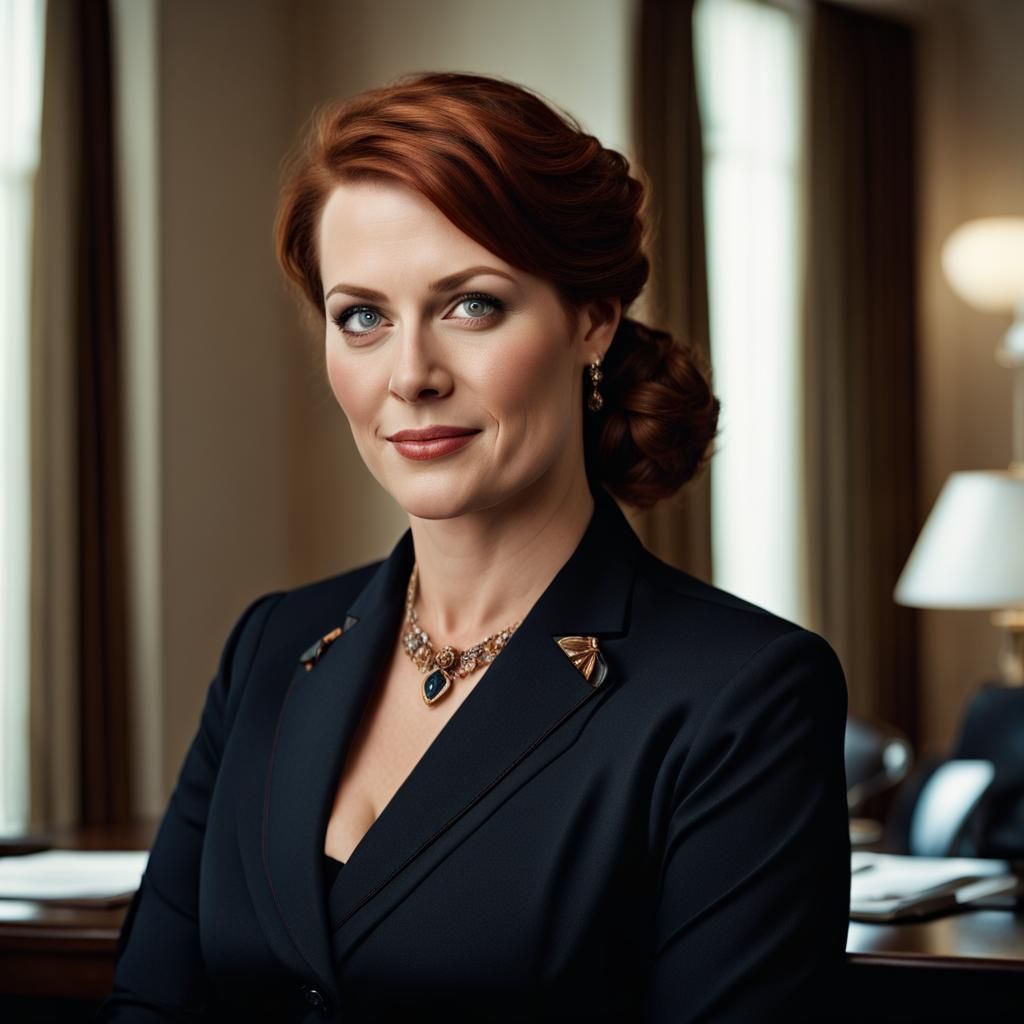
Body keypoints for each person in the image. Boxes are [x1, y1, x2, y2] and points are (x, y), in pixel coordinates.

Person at [97, 71, 850, 1023]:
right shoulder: (272, 646)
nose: (410, 375)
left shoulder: (744, 694)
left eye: (471, 306)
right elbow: (151, 1005)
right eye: (362, 317)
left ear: (592, 320)